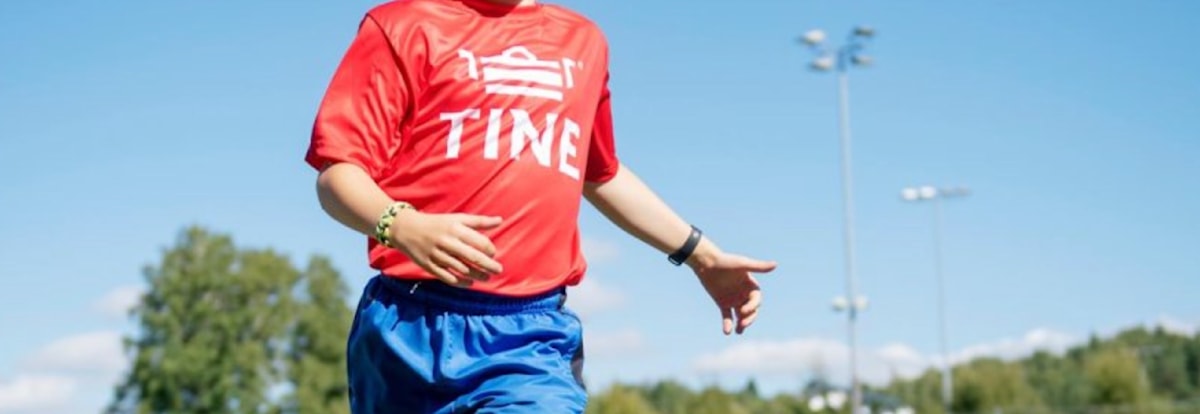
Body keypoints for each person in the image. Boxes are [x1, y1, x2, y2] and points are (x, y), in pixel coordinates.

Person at [305, 0, 777, 412]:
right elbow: (338, 173)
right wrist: (401, 224)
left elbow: (600, 172)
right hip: (404, 328)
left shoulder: (582, 41)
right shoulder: (401, 25)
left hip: (529, 336)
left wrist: (702, 254)